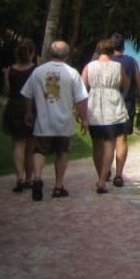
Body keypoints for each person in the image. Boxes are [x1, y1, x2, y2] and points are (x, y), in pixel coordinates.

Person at [20, 40, 90, 201]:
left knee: (39, 151)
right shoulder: (72, 73)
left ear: (51, 53)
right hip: (64, 122)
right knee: (62, 152)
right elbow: (81, 99)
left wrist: (28, 112)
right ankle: (58, 186)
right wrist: (84, 118)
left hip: (43, 120)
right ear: (67, 54)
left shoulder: (38, 71)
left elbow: (27, 94)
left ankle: (37, 178)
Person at [81, 38, 129, 194]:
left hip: (94, 105)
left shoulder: (89, 66)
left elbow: (82, 88)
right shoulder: (117, 66)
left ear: (98, 51)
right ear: (111, 52)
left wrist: (81, 112)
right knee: (110, 143)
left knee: (96, 144)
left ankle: (100, 176)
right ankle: (102, 180)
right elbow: (126, 84)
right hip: (113, 106)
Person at [111, 32, 140, 188]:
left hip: (107, 105)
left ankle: (104, 171)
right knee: (121, 139)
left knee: (106, 140)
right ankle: (118, 175)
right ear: (124, 47)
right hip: (126, 104)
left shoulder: (104, 62)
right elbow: (139, 85)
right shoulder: (131, 62)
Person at [2, 38, 37, 192]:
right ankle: (29, 179)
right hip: (31, 107)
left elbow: (7, 91)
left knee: (17, 144)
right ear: (31, 53)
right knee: (30, 146)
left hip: (14, 106)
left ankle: (19, 178)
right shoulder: (35, 70)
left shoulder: (10, 70)